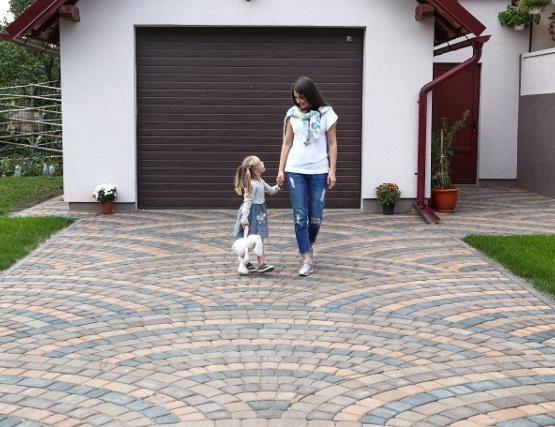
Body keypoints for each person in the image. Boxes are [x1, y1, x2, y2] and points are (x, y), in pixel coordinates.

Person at [276, 76, 338, 276]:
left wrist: (332, 170)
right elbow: (287, 143)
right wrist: (280, 169)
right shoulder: (292, 115)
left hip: (319, 171)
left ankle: (308, 245)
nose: (298, 101)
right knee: (300, 215)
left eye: (302, 97)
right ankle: (306, 257)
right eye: (296, 98)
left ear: (311, 95)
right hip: (295, 171)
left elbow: (332, 144)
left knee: (316, 216)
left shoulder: (327, 114)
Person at [234, 155, 280, 274]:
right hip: (251, 214)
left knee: (260, 238)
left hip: (260, 214)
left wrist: (278, 186)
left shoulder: (260, 181)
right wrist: (244, 218)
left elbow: (270, 190)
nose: (263, 163)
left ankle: (261, 264)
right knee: (247, 239)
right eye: (261, 163)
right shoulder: (252, 184)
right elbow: (247, 202)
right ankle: (245, 262)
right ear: (256, 171)